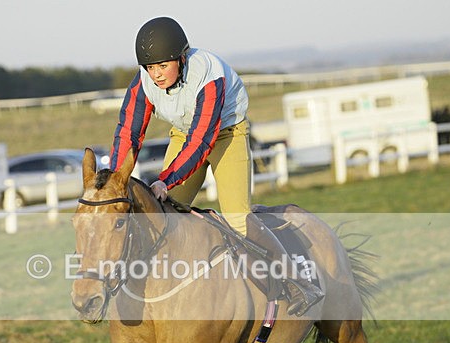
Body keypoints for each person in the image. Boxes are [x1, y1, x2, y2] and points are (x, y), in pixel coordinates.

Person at [109, 16, 322, 316]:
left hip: (225, 134)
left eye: (163, 66)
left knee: (237, 218)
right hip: (186, 133)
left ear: (182, 59)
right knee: (163, 216)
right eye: (150, 67)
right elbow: (128, 132)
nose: (156, 75)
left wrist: (165, 180)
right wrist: (116, 180)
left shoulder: (209, 76)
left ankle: (298, 281)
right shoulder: (141, 83)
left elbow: (201, 141)